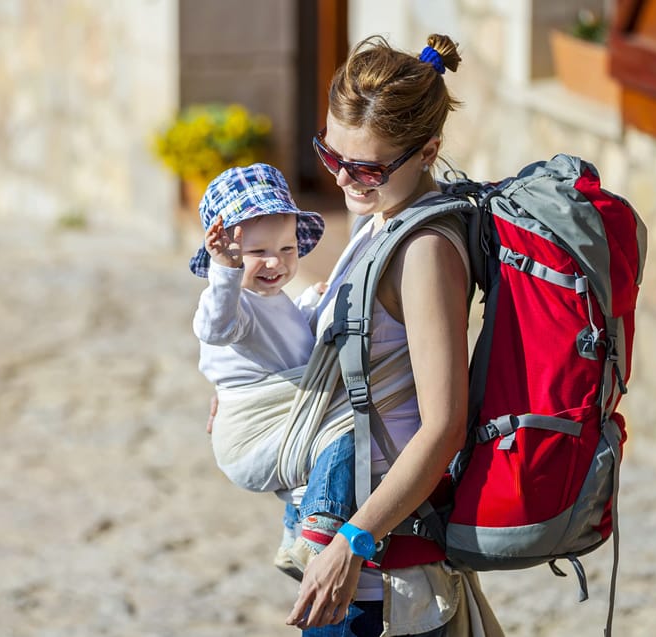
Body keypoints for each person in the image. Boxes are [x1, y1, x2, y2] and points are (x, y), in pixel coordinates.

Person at [283, 34, 505, 636]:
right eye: (332, 157)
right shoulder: (379, 219)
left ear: (428, 150)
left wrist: (351, 545)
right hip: (355, 560)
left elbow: (443, 426)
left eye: (368, 167)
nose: (346, 182)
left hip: (384, 581)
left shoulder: (426, 250)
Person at [191, 162, 370, 578]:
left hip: (276, 423)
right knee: (344, 430)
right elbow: (215, 328)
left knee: (317, 440)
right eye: (256, 253)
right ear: (231, 258)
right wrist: (225, 270)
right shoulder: (234, 306)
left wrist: (310, 302)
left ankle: (292, 538)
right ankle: (319, 528)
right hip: (253, 432)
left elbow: (294, 346)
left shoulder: (273, 299)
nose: (275, 262)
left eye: (287, 249)